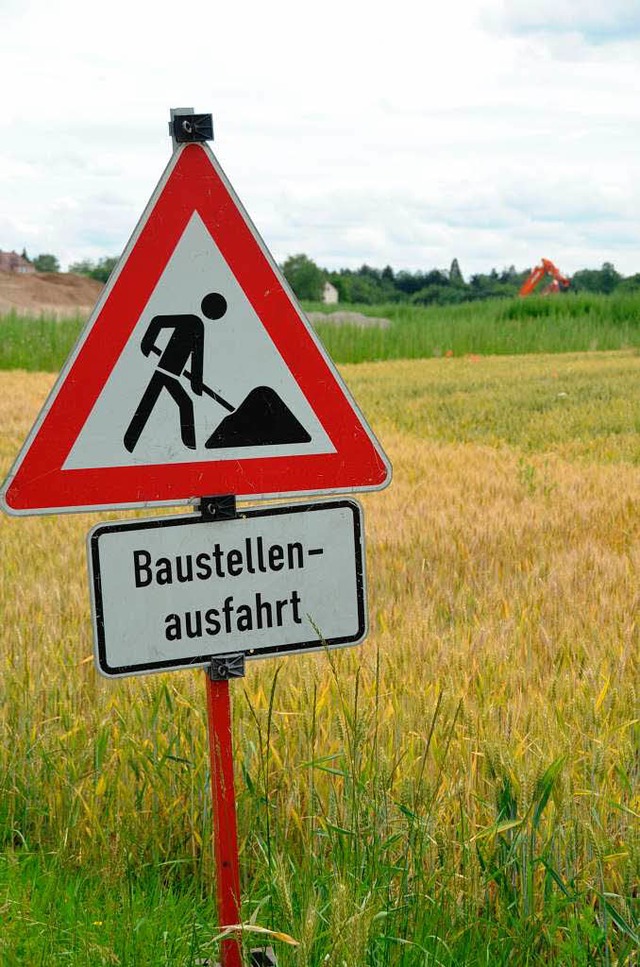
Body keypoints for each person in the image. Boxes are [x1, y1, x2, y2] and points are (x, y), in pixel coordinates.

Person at [123, 292, 227, 453]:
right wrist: (147, 343)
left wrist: (195, 383)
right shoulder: (193, 321)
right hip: (165, 371)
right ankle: (189, 446)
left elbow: (196, 359)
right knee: (179, 403)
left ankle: (130, 441)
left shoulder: (197, 324)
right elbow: (158, 321)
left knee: (152, 402)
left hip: (170, 374)